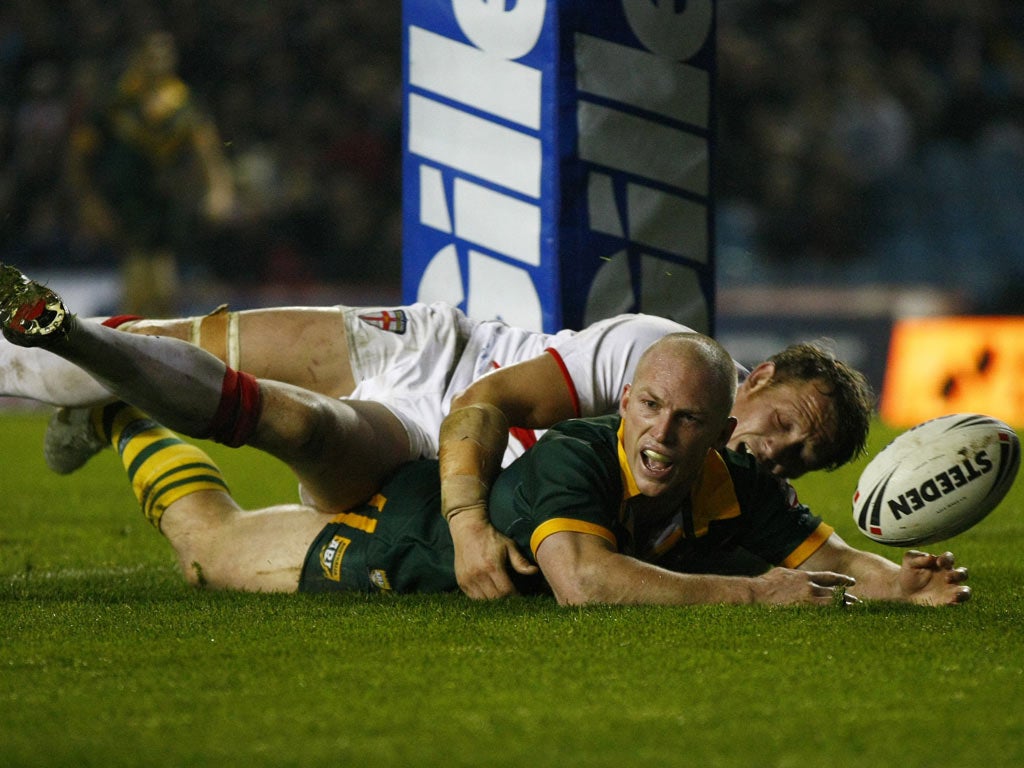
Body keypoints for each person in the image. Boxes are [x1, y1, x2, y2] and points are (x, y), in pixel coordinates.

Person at [0, 274, 969, 606]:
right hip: (432, 370)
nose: (773, 457)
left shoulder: (728, 475)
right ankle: (84, 359)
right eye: (781, 432)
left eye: (799, 461)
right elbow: (481, 403)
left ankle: (115, 394)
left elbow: (825, 553)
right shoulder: (656, 365)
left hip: (409, 463)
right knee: (158, 350)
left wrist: (897, 575)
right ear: (747, 384)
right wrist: (468, 519)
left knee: (282, 436)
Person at [66, 31, 235, 317]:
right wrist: (88, 202)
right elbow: (80, 156)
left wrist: (219, 190)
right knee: (143, 273)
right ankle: (138, 336)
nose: (159, 62)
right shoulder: (114, 100)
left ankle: (150, 337)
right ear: (136, 58)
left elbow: (206, 149)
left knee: (159, 275)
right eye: (151, 55)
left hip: (167, 199)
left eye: (164, 55)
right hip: (122, 199)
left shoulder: (181, 101)